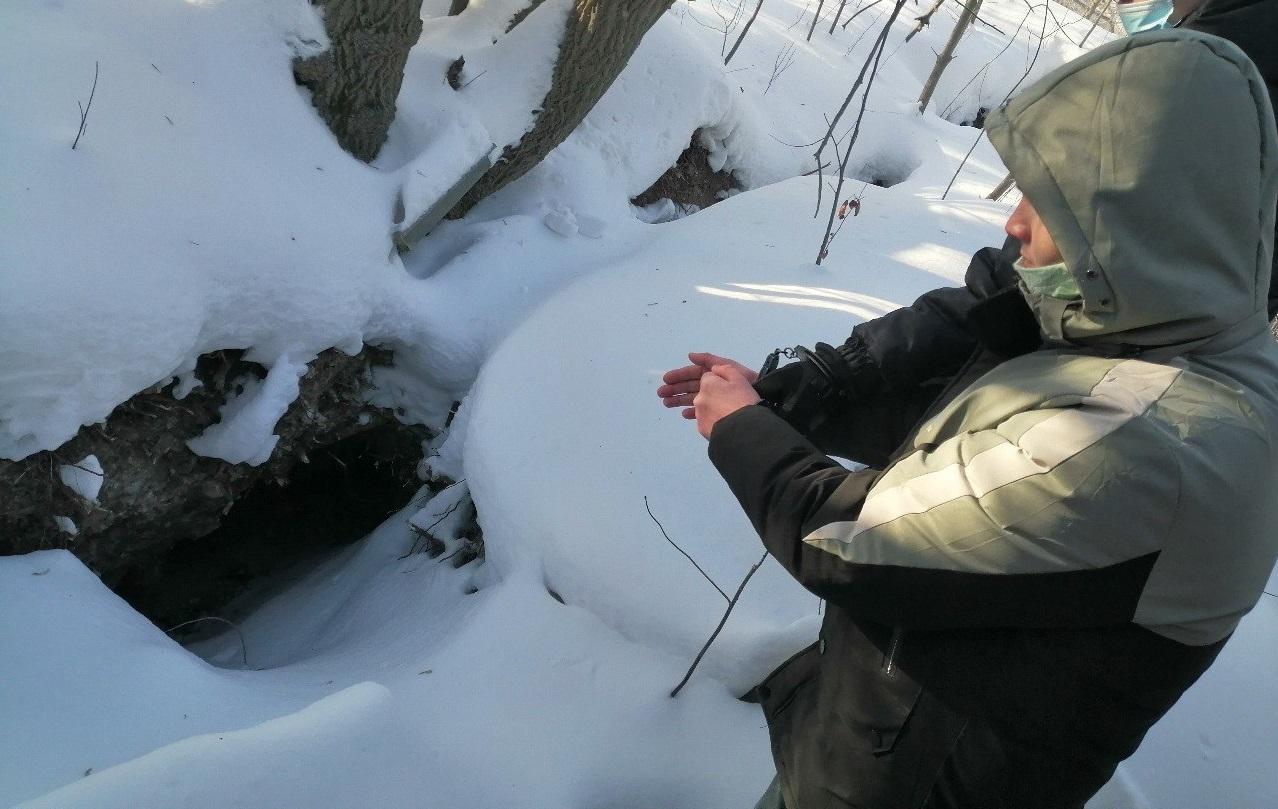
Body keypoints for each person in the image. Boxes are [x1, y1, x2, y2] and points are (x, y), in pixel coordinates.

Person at [659, 30, 1278, 809]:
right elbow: (965, 381)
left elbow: (847, 539)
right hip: (882, 738)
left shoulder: (1149, 448)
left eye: (1048, 204)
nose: (1013, 225)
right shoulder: (1152, 318)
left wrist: (742, 428)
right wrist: (787, 397)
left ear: (1137, 224)